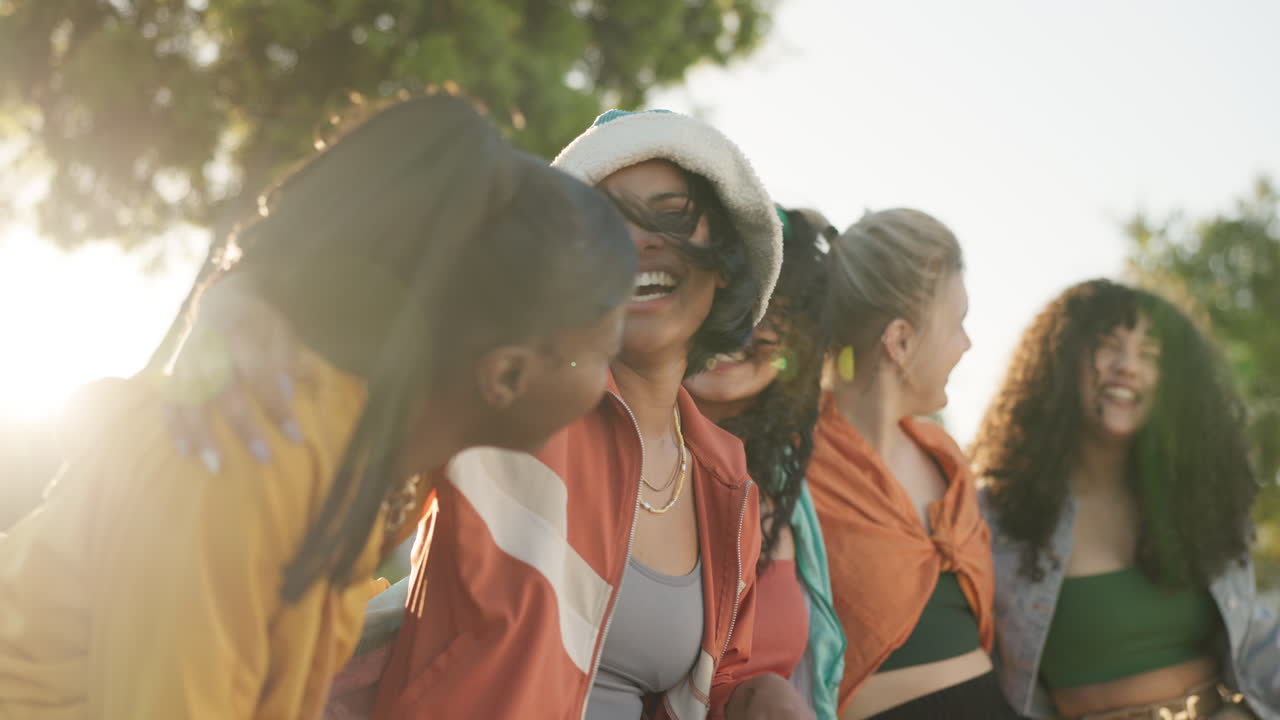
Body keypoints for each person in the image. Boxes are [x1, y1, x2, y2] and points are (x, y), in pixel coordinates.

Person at [0, 94, 638, 719]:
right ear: (507, 375)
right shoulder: (248, 452)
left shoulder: (388, 456)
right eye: (604, 351)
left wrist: (242, 289)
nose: (609, 377)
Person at [158, 108, 794, 719]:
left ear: (730, 261)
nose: (636, 242)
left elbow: (704, 680)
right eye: (605, 222)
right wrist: (236, 303)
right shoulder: (513, 394)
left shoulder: (728, 482)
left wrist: (750, 696)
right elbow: (359, 284)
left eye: (672, 215)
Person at [971, 279, 1280, 720]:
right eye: (1107, 346)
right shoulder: (999, 515)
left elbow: (1253, 637)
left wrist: (1244, 713)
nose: (1127, 367)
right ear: (1061, 362)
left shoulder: (1200, 501)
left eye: (1150, 354)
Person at [806, 209, 1018, 719]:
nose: (966, 344)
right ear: (900, 341)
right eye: (957, 324)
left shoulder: (945, 458)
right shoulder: (798, 463)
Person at [683, 206, 847, 720]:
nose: (737, 331)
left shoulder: (786, 485)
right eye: (721, 299)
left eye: (768, 310)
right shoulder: (617, 458)